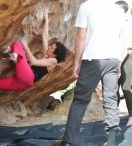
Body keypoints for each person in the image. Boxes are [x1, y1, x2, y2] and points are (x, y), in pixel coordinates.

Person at [54, 0, 128, 146]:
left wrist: (76, 62)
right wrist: (118, 61)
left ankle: (68, 142)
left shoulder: (86, 6)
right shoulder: (118, 10)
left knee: (80, 101)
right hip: (112, 59)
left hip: (93, 58)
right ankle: (112, 142)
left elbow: (81, 37)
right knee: (111, 101)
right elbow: (122, 40)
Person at [118, 7, 132, 127]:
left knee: (126, 87)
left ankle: (131, 116)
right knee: (112, 89)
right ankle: (112, 116)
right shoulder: (119, 22)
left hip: (127, 57)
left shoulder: (128, 23)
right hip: (115, 57)